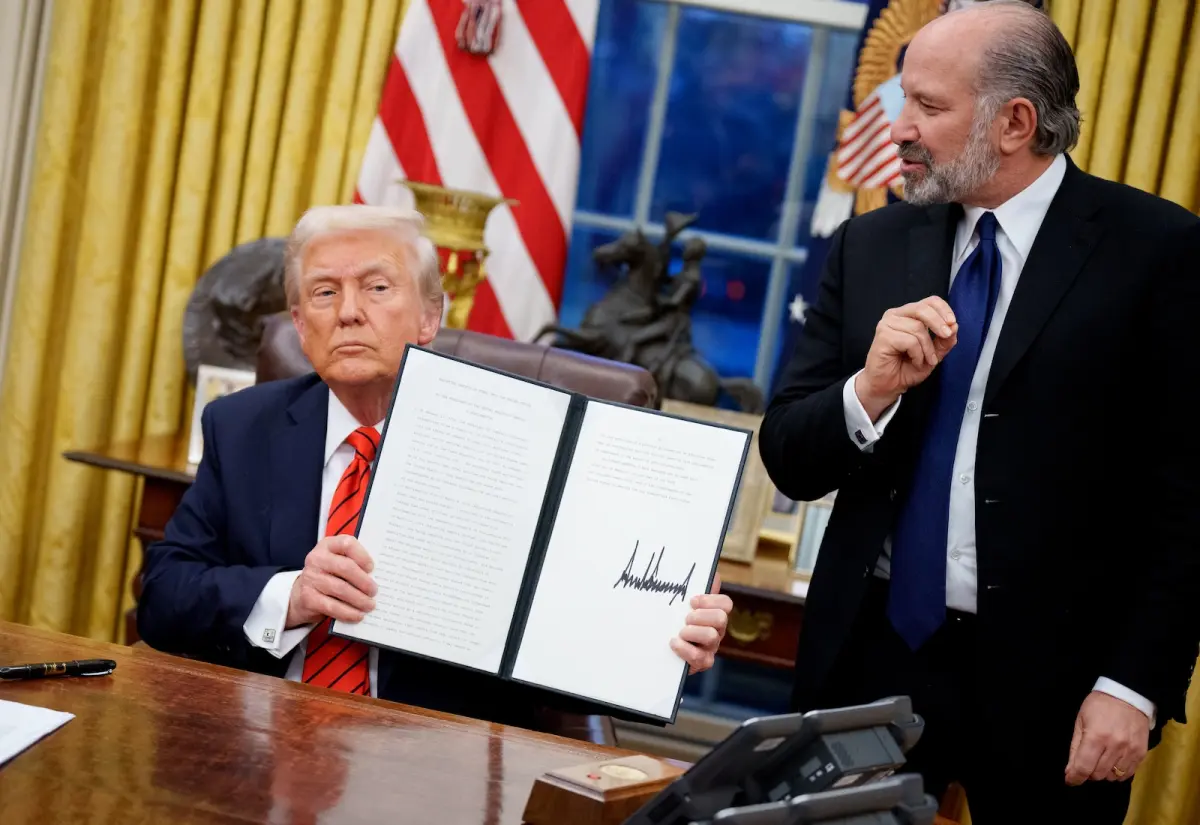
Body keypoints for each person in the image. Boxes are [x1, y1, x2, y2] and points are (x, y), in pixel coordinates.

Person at [759, 3, 1199, 823]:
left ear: (1014, 123)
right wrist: (871, 390)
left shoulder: (1162, 254)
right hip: (869, 655)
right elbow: (788, 452)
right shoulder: (872, 244)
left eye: (927, 105)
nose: (900, 126)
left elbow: (1188, 502)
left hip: (1057, 685)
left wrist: (1133, 685)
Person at [138, 204, 733, 730]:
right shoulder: (242, 427)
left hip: (433, 760)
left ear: (429, 318)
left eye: (376, 288)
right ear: (299, 324)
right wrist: (290, 595)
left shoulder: (515, 450)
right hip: (263, 742)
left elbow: (562, 661)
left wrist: (663, 645)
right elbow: (163, 595)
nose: (348, 312)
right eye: (324, 293)